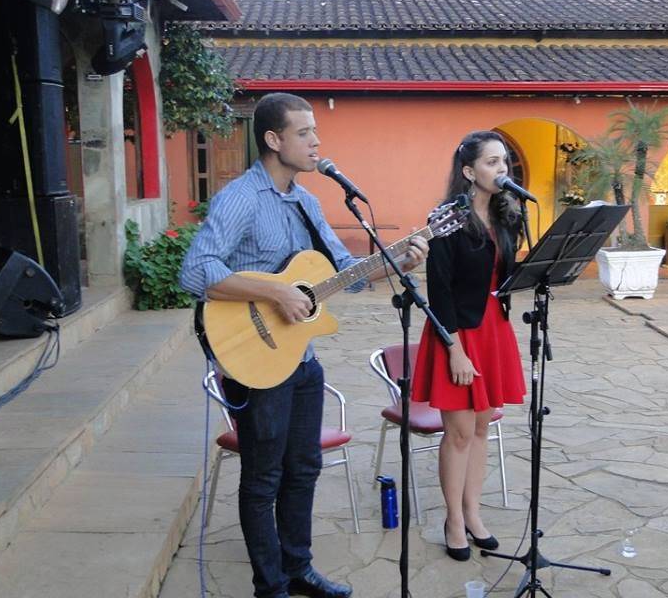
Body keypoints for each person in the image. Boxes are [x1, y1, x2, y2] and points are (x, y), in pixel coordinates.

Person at [180, 92, 428, 598]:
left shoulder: (308, 201)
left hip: (300, 357)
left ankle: (298, 568)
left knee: (304, 467)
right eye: (304, 133)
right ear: (274, 140)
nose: (316, 142)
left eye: (316, 132)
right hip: (254, 359)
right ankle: (269, 587)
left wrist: (397, 262)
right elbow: (197, 270)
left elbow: (345, 276)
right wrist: (275, 290)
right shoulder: (241, 198)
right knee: (263, 475)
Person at [411, 130, 527, 562]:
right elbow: (438, 291)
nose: (502, 170)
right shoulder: (447, 218)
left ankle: (473, 513)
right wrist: (454, 349)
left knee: (482, 428)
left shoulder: (506, 214)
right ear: (468, 171)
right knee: (458, 433)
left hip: (493, 328)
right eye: (492, 162)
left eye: (505, 163)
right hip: (456, 332)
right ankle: (453, 520)